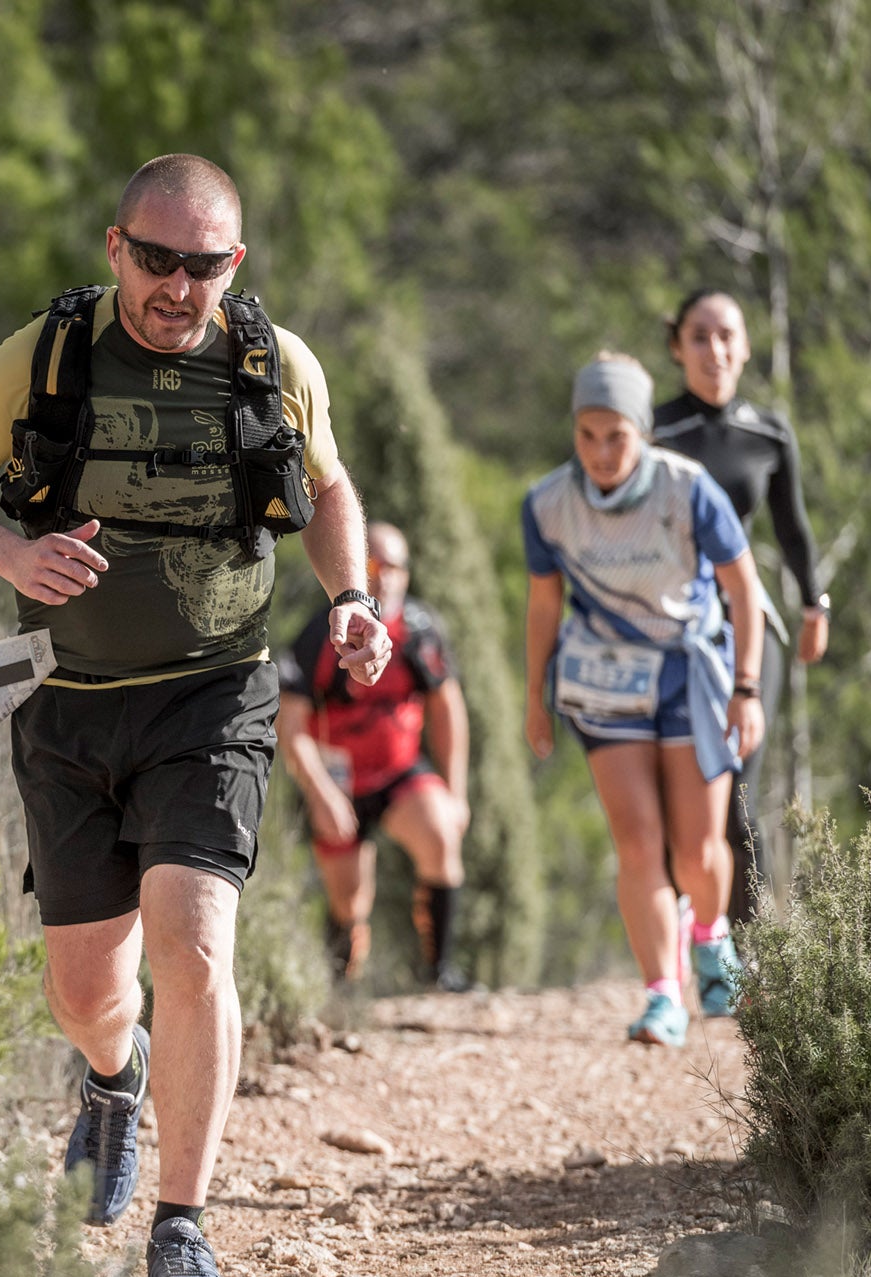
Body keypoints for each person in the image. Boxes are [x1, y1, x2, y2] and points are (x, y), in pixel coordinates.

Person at [0, 153, 391, 1277]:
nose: (178, 287)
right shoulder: (43, 357)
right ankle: (111, 1081)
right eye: (156, 259)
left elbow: (324, 490)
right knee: (85, 993)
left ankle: (181, 1227)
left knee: (194, 941)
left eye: (203, 264)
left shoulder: (272, 365)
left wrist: (352, 599)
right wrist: (14, 557)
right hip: (63, 701)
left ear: (235, 263)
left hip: (212, 696)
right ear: (114, 248)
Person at [522, 352, 766, 1047]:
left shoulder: (689, 490)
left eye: (617, 436)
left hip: (691, 673)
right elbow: (544, 603)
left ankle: (711, 937)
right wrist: (534, 693)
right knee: (638, 844)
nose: (602, 452)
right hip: (604, 680)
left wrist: (747, 688)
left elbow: (744, 591)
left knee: (696, 850)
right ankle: (664, 996)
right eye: (588, 434)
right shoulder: (546, 504)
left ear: (642, 431)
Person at [652, 289, 828, 926]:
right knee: (675, 799)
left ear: (747, 346)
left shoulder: (768, 433)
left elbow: (793, 530)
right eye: (699, 336)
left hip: (748, 629)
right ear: (678, 348)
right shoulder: (652, 431)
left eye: (727, 335)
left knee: (736, 791)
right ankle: (682, 949)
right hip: (666, 632)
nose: (715, 349)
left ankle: (754, 962)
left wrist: (815, 607)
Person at [275, 522, 472, 991]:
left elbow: (449, 709)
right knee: (350, 902)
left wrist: (456, 793)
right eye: (371, 564)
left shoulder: (421, 631)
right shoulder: (321, 634)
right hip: (336, 782)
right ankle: (340, 989)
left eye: (394, 566)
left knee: (442, 833)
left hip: (398, 773)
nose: (384, 576)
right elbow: (291, 724)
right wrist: (320, 792)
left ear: (407, 574)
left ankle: (438, 974)